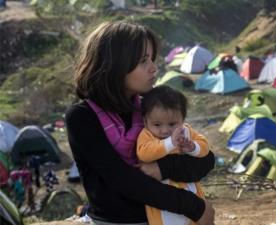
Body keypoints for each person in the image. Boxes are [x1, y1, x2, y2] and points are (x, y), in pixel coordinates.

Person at [65, 21, 215, 225]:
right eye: (144, 61)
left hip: (167, 217)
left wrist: (161, 168)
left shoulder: (148, 110)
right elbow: (122, 180)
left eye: (152, 59)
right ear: (115, 64)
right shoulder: (82, 117)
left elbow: (205, 161)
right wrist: (195, 207)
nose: (154, 68)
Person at [137, 85, 209, 225]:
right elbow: (144, 153)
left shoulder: (186, 131)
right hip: (164, 203)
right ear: (145, 121)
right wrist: (170, 143)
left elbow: (205, 147)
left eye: (172, 124)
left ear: (182, 120)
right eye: (157, 124)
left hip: (191, 192)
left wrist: (193, 147)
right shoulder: (146, 135)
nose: (164, 130)